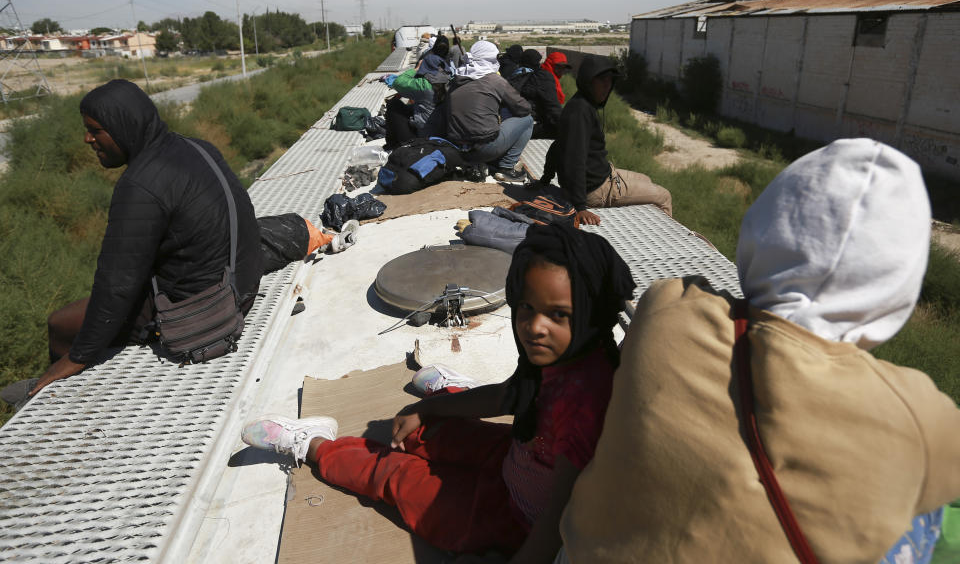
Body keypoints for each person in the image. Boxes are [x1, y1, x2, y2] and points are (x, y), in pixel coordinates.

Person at [559, 139, 960, 563]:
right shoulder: (919, 411)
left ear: (762, 230)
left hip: (581, 552)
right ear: (897, 286)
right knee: (923, 516)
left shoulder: (667, 306)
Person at [241, 224, 636, 561]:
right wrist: (432, 411)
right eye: (526, 308)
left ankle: (314, 446)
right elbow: (508, 396)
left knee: (397, 475)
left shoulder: (586, 400)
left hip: (514, 517)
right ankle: (450, 389)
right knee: (418, 428)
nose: (534, 326)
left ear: (593, 314)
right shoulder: (561, 354)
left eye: (558, 315)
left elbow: (557, 520)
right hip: (520, 453)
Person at [27, 80, 263, 398]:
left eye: (95, 130)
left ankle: (58, 394)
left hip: (203, 308)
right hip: (241, 285)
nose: (87, 139)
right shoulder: (198, 147)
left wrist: (78, 356)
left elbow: (116, 283)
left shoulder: (139, 185)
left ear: (124, 127)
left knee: (60, 324)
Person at [542, 54, 671, 225]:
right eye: (601, 80)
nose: (606, 86)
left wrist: (545, 178)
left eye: (610, 81)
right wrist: (580, 207)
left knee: (646, 179)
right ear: (588, 81)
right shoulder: (580, 112)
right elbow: (575, 160)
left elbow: (558, 145)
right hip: (595, 190)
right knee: (663, 196)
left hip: (604, 175)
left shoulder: (581, 104)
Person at [445, 40, 534, 183]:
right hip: (484, 148)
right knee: (527, 120)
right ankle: (507, 168)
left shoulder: (456, 79)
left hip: (457, 148)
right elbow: (523, 108)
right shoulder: (495, 80)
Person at [508, 49, 563, 140]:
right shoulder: (541, 77)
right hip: (529, 124)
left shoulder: (514, 74)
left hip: (510, 124)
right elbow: (552, 105)